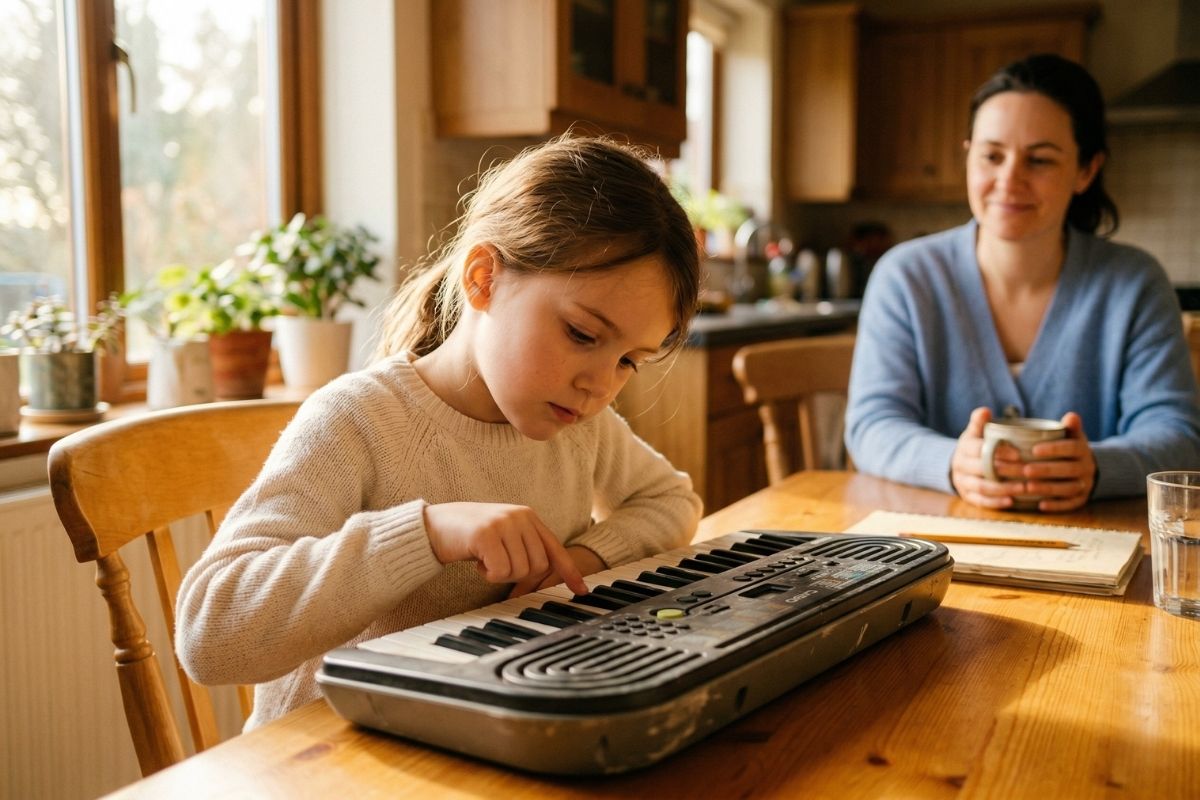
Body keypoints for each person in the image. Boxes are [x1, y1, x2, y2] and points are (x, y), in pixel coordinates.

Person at [175, 135, 704, 728]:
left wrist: (581, 558)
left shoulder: (582, 427)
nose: (601, 386)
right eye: (582, 335)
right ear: (484, 278)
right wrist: (426, 533)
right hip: (327, 754)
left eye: (629, 360)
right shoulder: (358, 419)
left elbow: (671, 500)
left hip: (470, 732)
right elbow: (208, 635)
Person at [845, 54, 1200, 511]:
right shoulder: (905, 276)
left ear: (1086, 170)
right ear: (968, 155)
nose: (1008, 180)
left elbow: (1178, 434)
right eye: (991, 156)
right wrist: (952, 463)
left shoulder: (1135, 284)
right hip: (931, 539)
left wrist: (1097, 467)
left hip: (1095, 540)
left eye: (1039, 160)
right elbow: (872, 426)